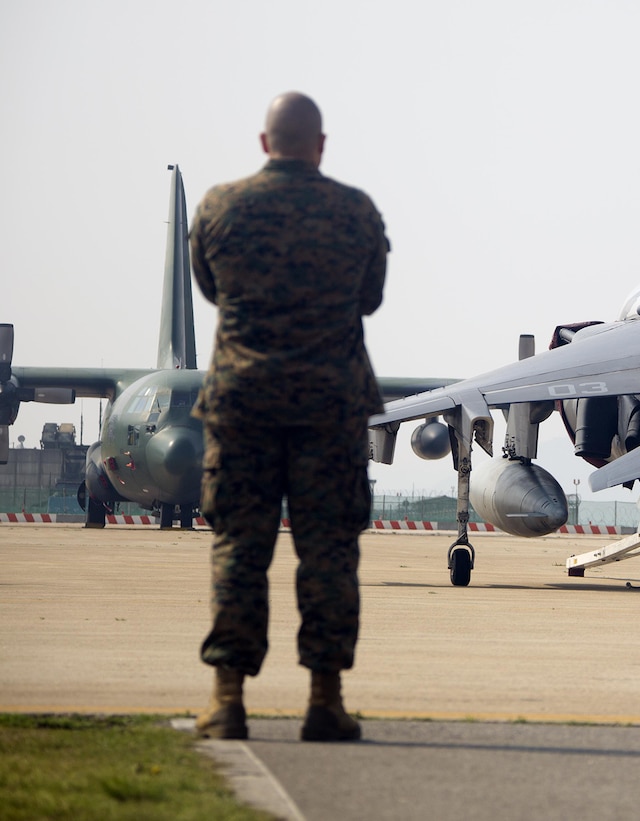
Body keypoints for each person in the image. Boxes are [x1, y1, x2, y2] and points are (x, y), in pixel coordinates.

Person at [190, 91, 389, 742]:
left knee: (238, 551)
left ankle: (227, 700)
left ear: (263, 142)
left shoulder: (221, 207)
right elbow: (371, 298)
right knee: (329, 554)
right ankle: (324, 700)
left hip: (242, 404)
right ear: (321, 145)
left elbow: (213, 289)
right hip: (329, 408)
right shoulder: (355, 212)